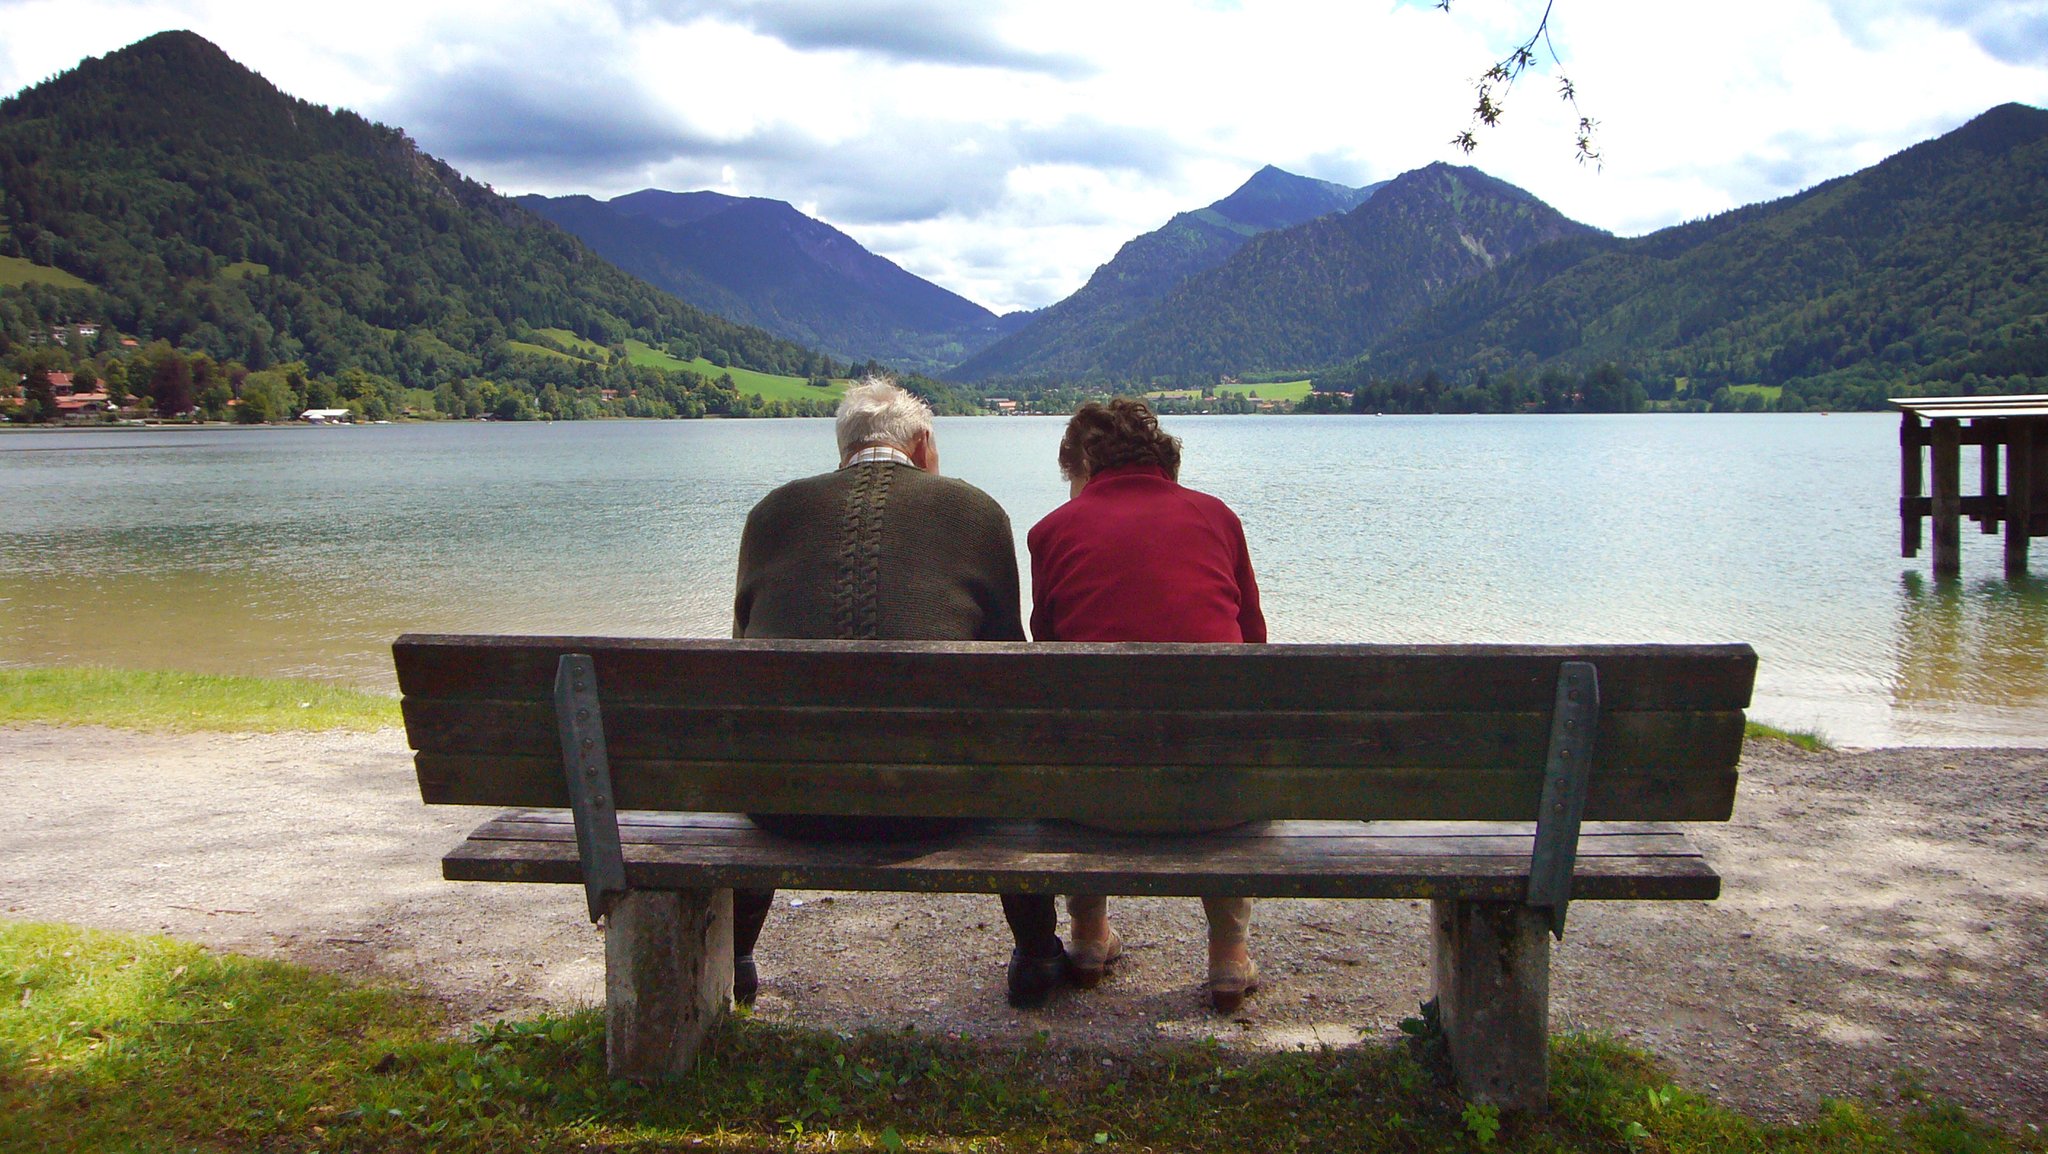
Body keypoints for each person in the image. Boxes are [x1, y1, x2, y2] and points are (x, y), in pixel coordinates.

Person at [728, 377, 1069, 1009]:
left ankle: (737, 954)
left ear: (843, 449)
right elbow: (1007, 667)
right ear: (922, 444)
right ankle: (1037, 953)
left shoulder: (772, 514)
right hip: (939, 803)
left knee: (784, 733)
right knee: (1007, 751)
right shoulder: (973, 511)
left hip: (787, 801)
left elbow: (744, 650)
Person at [1023, 397, 1268, 1013]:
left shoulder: (1051, 533)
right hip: (1215, 800)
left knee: (1080, 728)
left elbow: (1046, 660)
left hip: (1091, 801)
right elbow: (1256, 652)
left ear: (1083, 467)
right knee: (1220, 729)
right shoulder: (1218, 519)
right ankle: (1229, 955)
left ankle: (1086, 937)